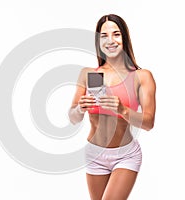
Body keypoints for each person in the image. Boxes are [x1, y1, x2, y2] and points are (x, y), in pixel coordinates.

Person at [68, 14, 156, 200]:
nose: (110, 40)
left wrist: (122, 110)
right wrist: (79, 108)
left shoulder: (142, 76)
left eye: (116, 34)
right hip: (94, 153)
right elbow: (73, 118)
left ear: (124, 37)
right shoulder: (88, 74)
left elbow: (148, 123)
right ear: (98, 41)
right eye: (104, 35)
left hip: (125, 155)